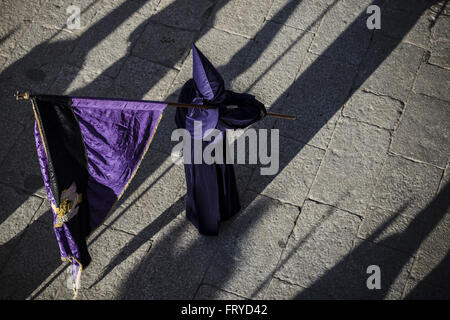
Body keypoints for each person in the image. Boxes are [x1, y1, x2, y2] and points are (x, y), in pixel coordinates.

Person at [175, 44, 267, 235]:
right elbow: (243, 117)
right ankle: (209, 223)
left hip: (193, 150)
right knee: (210, 186)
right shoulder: (215, 117)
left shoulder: (192, 87)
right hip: (209, 155)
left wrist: (245, 99)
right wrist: (256, 108)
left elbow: (223, 97)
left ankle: (213, 212)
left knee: (200, 183)